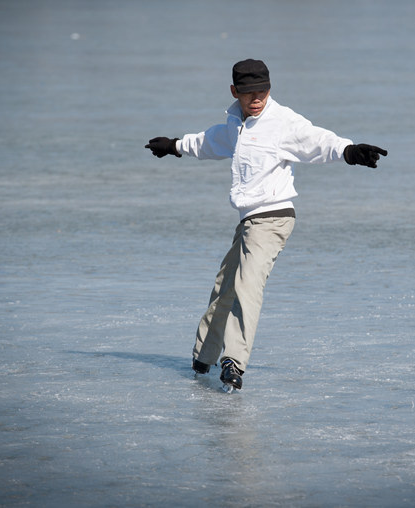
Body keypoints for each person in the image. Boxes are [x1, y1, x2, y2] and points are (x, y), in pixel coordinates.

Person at [145, 59, 387, 391]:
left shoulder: (282, 122)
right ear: (235, 92)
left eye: (261, 91)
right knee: (224, 289)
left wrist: (348, 150)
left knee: (247, 286)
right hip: (248, 222)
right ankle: (204, 356)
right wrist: (173, 146)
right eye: (248, 93)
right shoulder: (235, 125)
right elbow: (209, 142)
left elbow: (316, 140)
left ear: (269, 89)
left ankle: (234, 361)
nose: (256, 98)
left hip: (273, 219)